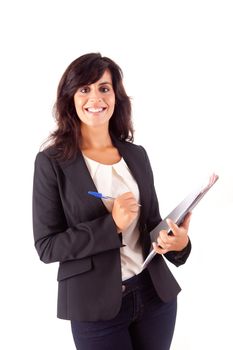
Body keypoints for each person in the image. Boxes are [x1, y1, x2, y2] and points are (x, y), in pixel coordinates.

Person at [32, 52, 192, 350]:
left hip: (154, 295)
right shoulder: (51, 162)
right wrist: (111, 225)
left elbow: (151, 223)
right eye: (85, 88)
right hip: (95, 307)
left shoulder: (136, 155)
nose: (96, 97)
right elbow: (46, 246)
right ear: (70, 97)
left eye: (104, 88)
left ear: (116, 96)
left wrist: (178, 244)